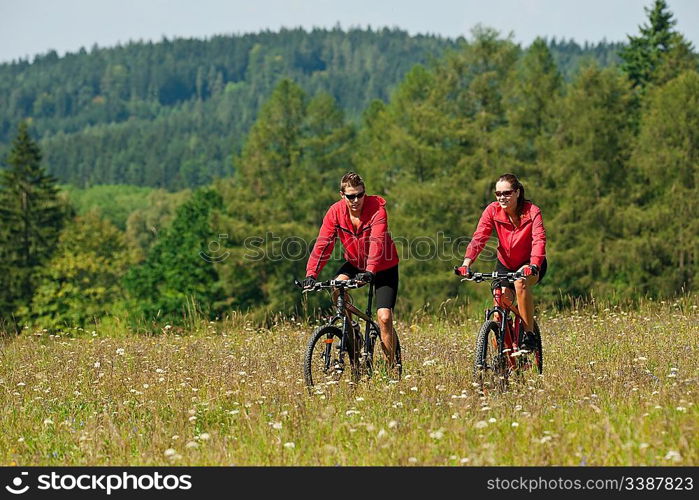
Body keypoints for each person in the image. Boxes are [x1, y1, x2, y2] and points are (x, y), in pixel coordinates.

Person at [304, 172, 400, 366]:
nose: (356, 200)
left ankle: (392, 370)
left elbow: (377, 241)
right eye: (350, 196)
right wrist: (311, 274)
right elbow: (324, 244)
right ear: (342, 195)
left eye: (360, 195)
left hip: (383, 265)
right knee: (337, 286)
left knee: (384, 316)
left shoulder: (377, 209)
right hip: (356, 264)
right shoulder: (335, 212)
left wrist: (371, 270)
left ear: (365, 193)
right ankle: (351, 332)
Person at [456, 173, 547, 351]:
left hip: (530, 264)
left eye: (506, 193)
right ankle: (503, 359)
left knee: (520, 283)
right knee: (500, 306)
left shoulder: (532, 211)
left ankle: (529, 335)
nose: (502, 198)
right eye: (498, 194)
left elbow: (539, 240)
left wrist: (533, 264)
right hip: (505, 264)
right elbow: (479, 238)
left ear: (518, 192)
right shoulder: (492, 211)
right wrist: (466, 264)